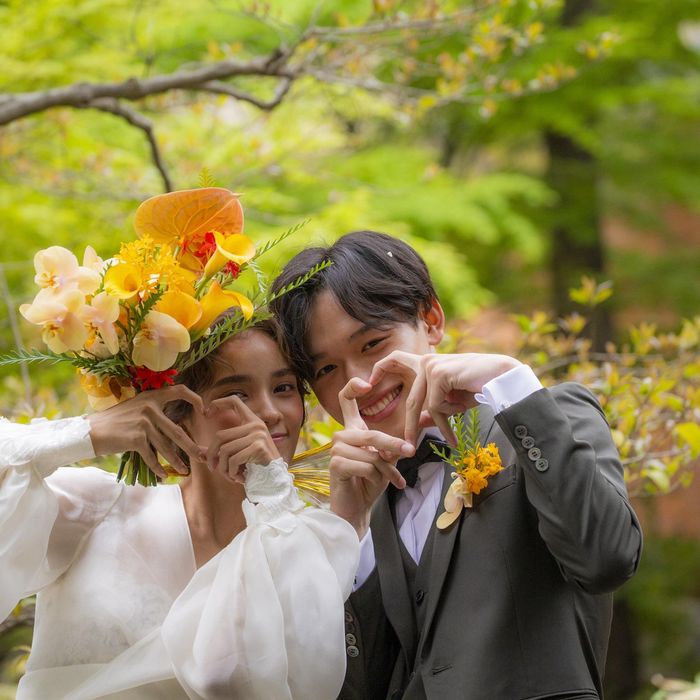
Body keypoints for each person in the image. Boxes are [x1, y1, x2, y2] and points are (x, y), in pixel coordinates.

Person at [270, 230, 643, 700]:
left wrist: (511, 384)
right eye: (326, 370)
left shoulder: (547, 419)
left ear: (431, 320)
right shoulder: (360, 504)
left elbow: (608, 558)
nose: (359, 382)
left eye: (372, 344)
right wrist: (350, 531)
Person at [0, 319, 359, 700]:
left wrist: (274, 495)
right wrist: (88, 432)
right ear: (177, 412)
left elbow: (308, 680)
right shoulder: (95, 509)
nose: (269, 412)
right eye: (236, 393)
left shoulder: (302, 541)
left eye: (283, 388)